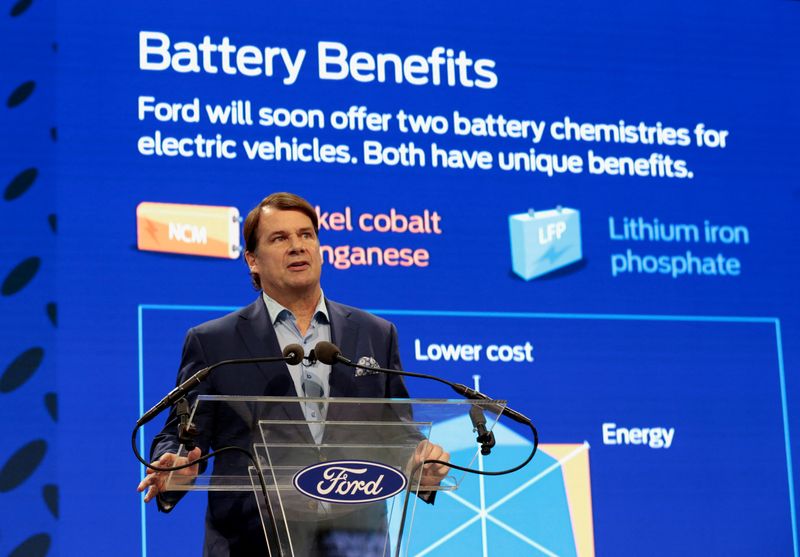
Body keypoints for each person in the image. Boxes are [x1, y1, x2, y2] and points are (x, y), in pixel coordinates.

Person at [137, 192, 449, 556]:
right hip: (251, 544)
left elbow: (397, 431)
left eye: (306, 235)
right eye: (280, 238)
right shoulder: (214, 343)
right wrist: (176, 463)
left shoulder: (375, 333)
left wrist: (417, 462)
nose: (297, 246)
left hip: (354, 542)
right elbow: (181, 430)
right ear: (252, 260)